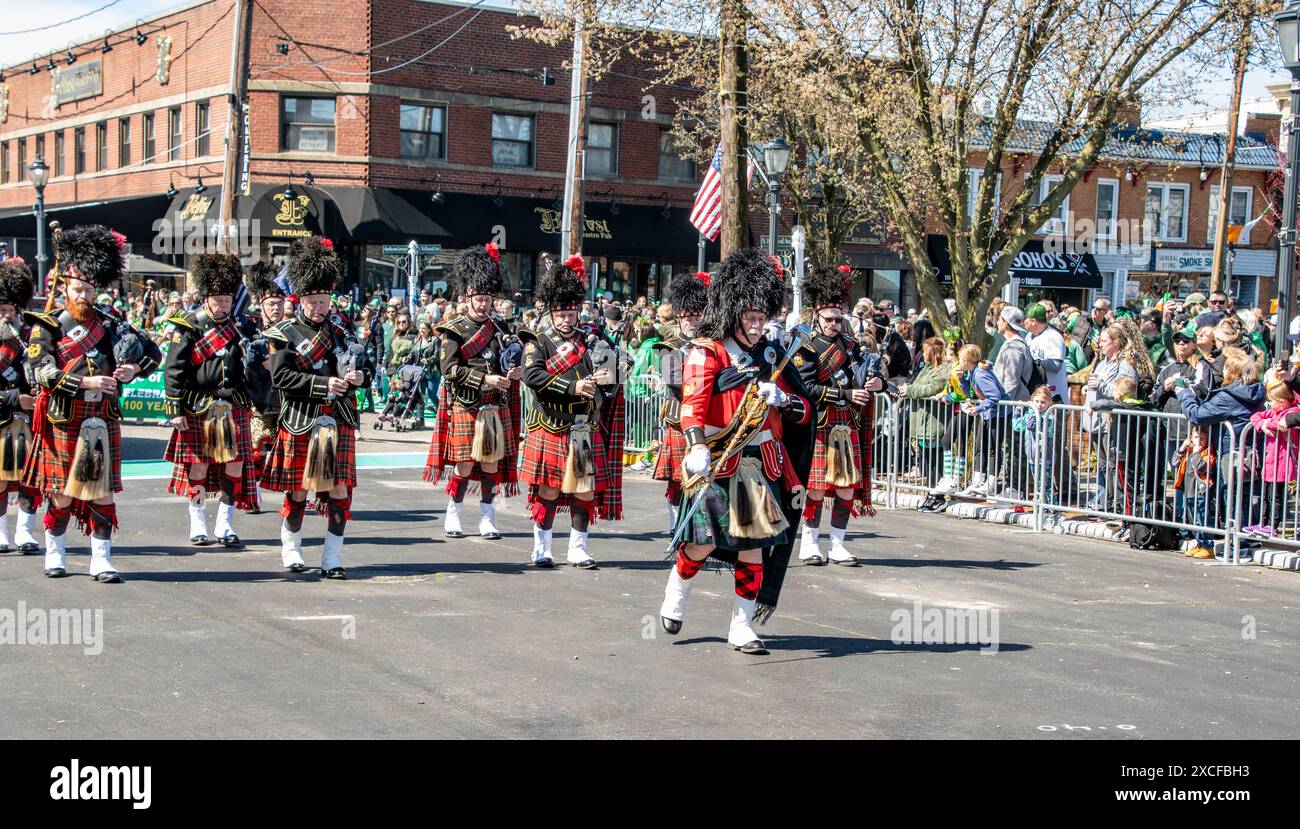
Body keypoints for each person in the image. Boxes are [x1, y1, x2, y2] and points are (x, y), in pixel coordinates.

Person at [658, 248, 812, 655]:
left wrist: (782, 400)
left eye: (764, 318)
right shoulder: (708, 350)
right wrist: (696, 447)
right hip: (718, 456)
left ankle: (741, 626)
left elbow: (806, 409)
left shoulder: (773, 355)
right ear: (735, 310)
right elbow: (692, 404)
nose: (759, 326)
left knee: (755, 544)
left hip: (759, 463)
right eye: (752, 318)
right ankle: (677, 590)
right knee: (703, 542)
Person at [22, 225, 163, 582]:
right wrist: (84, 381)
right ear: (65, 288)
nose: (83, 295)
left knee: (101, 494)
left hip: (102, 416)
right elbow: (40, 373)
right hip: (64, 419)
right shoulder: (47, 327)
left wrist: (132, 369)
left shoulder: (113, 322)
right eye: (77, 289)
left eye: (88, 289)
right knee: (61, 496)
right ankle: (55, 555)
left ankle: (101, 560)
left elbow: (154, 354)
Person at [261, 238, 371, 579]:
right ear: (301, 300)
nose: (320, 308)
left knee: (339, 490)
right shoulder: (284, 333)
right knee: (298, 489)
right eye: (314, 302)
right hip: (300, 419)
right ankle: (291, 548)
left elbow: (367, 369)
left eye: (324, 301)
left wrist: (357, 377)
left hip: (337, 418)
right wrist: (324, 385)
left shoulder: (341, 329)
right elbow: (280, 377)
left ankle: (331, 558)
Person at [518, 256, 622, 569]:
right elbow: (531, 375)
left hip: (583, 427)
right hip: (551, 423)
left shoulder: (592, 339)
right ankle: (542, 548)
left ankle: (578, 548)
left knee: (585, 489)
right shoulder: (538, 341)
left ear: (578, 310)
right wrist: (573, 387)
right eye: (561, 313)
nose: (566, 319)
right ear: (552, 312)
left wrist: (609, 378)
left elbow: (615, 374)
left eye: (571, 312)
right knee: (549, 488)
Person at [424, 243, 520, 540]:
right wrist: (484, 379)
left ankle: (487, 517)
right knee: (464, 463)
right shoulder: (453, 329)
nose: (484, 304)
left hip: (494, 404)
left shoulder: (500, 327)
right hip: (466, 402)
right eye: (479, 299)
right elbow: (449, 370)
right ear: (467, 298)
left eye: (488, 299)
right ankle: (454, 511)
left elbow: (506, 359)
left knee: (491, 462)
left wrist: (511, 374)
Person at [162, 254, 258, 547]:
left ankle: (225, 523)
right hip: (199, 404)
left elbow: (256, 365)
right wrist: (174, 409)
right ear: (206, 298)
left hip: (234, 403)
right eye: (217, 300)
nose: (223, 306)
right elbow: (174, 369)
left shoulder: (244, 325)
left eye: (227, 300)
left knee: (235, 465)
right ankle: (198, 518)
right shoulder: (188, 326)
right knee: (199, 466)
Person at [795, 265, 882, 566]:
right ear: (817, 315)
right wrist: (845, 394)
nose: (834, 324)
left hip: (847, 424)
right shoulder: (805, 347)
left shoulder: (851, 346)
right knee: (817, 487)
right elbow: (806, 387)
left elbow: (868, 375)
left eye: (838, 319)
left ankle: (837, 545)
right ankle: (808, 543)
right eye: (829, 319)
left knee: (846, 486)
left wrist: (877, 383)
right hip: (821, 423)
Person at [651, 272, 708, 530]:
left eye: (698, 316)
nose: (693, 321)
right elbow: (676, 384)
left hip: (709, 421)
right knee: (676, 480)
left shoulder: (712, 344)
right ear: (679, 317)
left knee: (704, 477)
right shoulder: (669, 347)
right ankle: (676, 524)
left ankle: (699, 524)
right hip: (679, 419)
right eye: (688, 316)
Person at [0, 258, 41, 553]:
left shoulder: (29, 338)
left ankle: (24, 531)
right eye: (0, 310)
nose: (5, 316)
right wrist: (15, 398)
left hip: (28, 419)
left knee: (31, 479)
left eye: (9, 310)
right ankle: (1, 532)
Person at [242, 261, 287, 512]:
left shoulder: (291, 328)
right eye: (272, 304)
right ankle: (254, 494)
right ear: (262, 304)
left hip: (285, 399)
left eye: (280, 303)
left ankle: (291, 493)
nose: (276, 308)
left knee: (285, 448)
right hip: (258, 397)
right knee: (258, 449)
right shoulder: (251, 328)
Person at [1246, 379, 1300, 536]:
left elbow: (1282, 423)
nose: (1269, 405)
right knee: (1266, 495)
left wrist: (1268, 422)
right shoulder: (1275, 412)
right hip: (1270, 461)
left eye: (1272, 401)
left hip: (1283, 462)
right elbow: (1255, 416)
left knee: (1275, 497)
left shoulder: (1291, 412)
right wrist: (1262, 425)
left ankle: (1273, 525)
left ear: (1282, 403)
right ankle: (1263, 523)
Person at [1024, 304, 1068, 403]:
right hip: (1038, 396)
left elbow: (1056, 366)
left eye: (1026, 319)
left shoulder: (1053, 337)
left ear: (1033, 321)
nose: (1024, 322)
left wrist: (1037, 362)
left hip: (1054, 396)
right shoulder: (1029, 336)